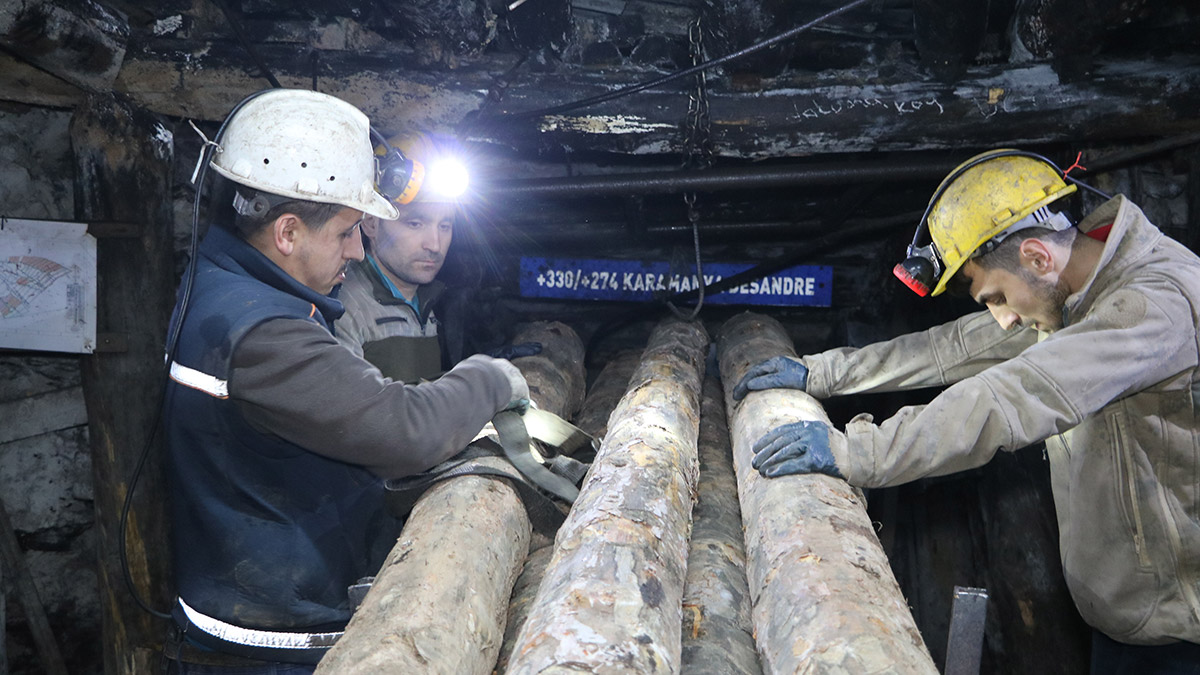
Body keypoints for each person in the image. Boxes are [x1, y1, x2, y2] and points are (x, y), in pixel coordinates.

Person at [734, 149, 1200, 674]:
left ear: (1037, 257)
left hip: (1177, 632)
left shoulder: (1152, 305)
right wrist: (821, 373)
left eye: (997, 298)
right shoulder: (1077, 289)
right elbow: (952, 347)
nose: (1003, 322)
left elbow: (1010, 398)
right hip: (1127, 614)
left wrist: (854, 451)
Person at [161, 89, 529, 673]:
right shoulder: (264, 335)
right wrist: (490, 376)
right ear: (287, 233)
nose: (358, 250)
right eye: (346, 231)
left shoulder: (219, 278)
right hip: (270, 641)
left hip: (250, 606)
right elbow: (405, 428)